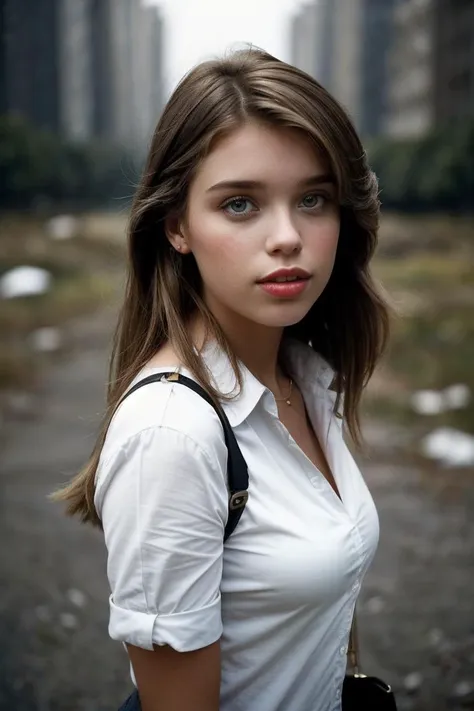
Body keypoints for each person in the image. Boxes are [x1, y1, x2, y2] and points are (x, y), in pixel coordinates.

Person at [54, 48, 390, 711]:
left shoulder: (304, 372)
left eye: (314, 199)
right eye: (240, 204)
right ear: (177, 224)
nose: (288, 236)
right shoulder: (171, 434)